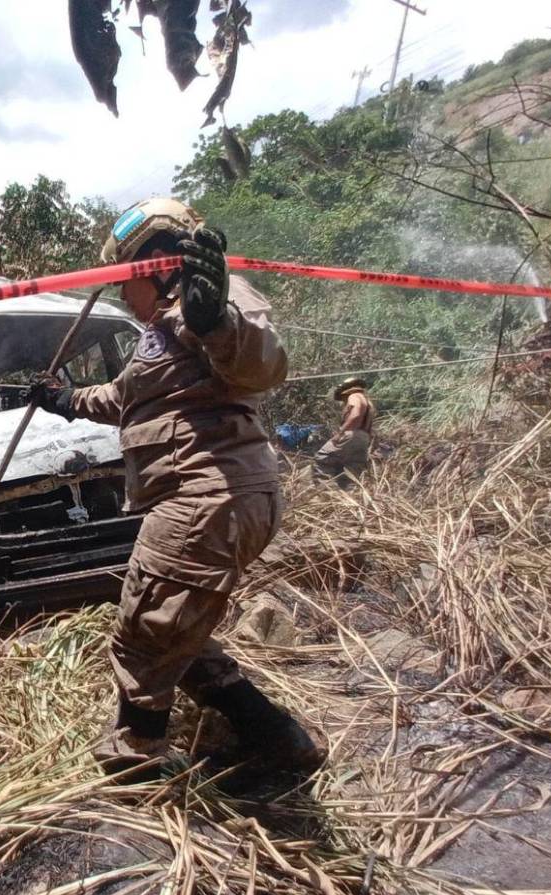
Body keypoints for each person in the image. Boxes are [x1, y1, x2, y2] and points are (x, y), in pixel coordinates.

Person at [28, 197, 324, 779]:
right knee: (174, 629)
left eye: (123, 281)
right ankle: (277, 739)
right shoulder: (156, 333)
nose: (120, 297)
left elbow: (261, 364)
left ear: (155, 263)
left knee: (142, 638)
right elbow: (123, 398)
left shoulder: (209, 301)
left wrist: (215, 318)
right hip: (206, 497)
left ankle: (133, 766)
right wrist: (63, 401)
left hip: (208, 492)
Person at [314, 378, 375, 485]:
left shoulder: (354, 396)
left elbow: (356, 415)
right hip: (364, 437)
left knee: (322, 457)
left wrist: (340, 433)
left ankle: (326, 492)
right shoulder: (366, 400)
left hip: (351, 434)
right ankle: (349, 497)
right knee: (352, 469)